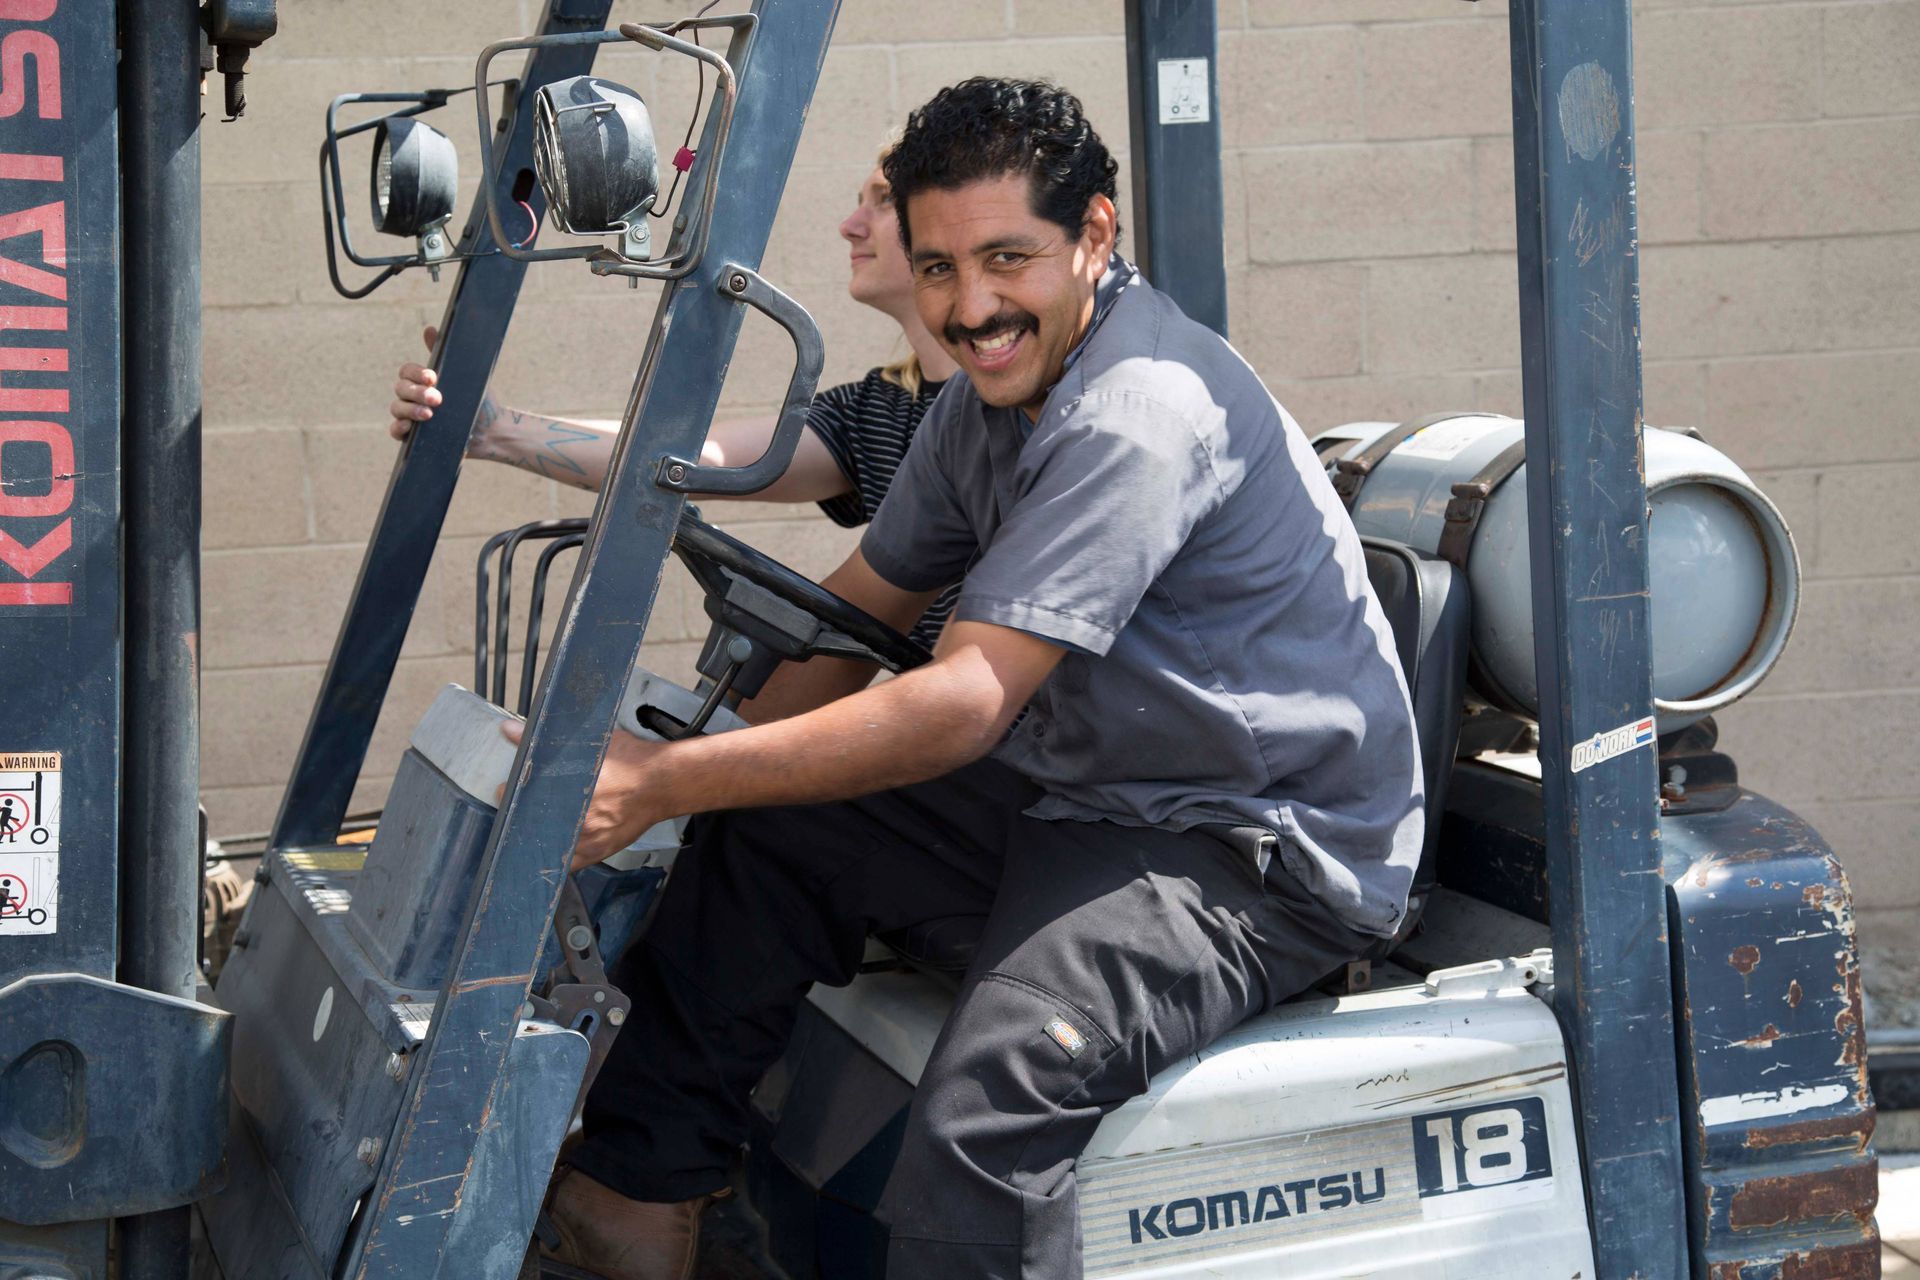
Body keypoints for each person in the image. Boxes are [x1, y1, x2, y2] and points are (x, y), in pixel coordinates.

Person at [536, 77, 1424, 1280]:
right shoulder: (983, 406)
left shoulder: (1136, 412)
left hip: (1249, 850)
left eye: (1009, 258)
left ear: (1094, 236)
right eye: (942, 267)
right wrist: (673, 786)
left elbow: (964, 702)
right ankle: (631, 1200)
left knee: (989, 1112)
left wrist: (671, 778)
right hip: (1092, 793)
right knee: (775, 827)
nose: (973, 307)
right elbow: (851, 611)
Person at [385, 155, 963, 647]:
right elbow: (698, 457)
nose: (849, 225)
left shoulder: (1018, 408)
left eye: (882, 201)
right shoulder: (882, 410)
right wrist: (492, 429)